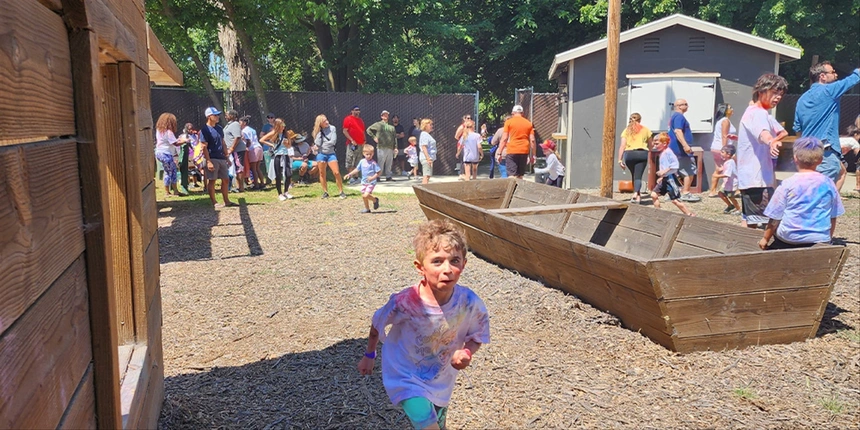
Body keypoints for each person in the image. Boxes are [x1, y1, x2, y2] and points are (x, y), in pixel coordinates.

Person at [357, 219, 490, 430]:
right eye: (437, 261)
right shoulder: (405, 302)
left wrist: (466, 353)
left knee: (438, 424)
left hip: (440, 378)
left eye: (454, 261)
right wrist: (369, 355)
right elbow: (376, 325)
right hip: (405, 376)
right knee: (428, 426)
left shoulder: (468, 302)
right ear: (420, 267)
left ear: (464, 264)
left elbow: (477, 335)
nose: (447, 269)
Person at [760, 137, 844, 250]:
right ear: (820, 160)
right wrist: (827, 239)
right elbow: (833, 216)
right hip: (819, 238)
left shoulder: (788, 184)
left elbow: (775, 216)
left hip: (789, 238)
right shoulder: (828, 184)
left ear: (795, 158)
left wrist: (765, 238)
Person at [793, 62, 860, 183]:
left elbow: (798, 129)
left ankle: (833, 200)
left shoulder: (801, 99)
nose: (836, 75)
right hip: (824, 154)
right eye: (833, 72)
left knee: (841, 171)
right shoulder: (829, 91)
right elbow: (854, 78)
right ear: (822, 76)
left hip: (807, 154)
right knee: (820, 195)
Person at [737, 73, 788, 228]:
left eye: (780, 94)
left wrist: (775, 140)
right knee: (765, 224)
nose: (778, 97)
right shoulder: (757, 113)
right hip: (757, 179)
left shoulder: (760, 113)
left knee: (750, 221)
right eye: (774, 93)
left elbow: (782, 132)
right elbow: (763, 133)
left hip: (753, 178)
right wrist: (772, 141)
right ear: (761, 91)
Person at [650, 132, 695, 216]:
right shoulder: (662, 153)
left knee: (675, 200)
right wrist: (662, 177)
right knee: (653, 195)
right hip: (665, 178)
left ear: (664, 143)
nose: (655, 146)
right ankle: (658, 213)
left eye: (657, 144)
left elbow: (675, 165)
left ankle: (689, 214)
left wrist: (664, 172)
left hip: (671, 179)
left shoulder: (668, 152)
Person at [199, 107, 236, 207]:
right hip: (212, 158)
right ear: (209, 117)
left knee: (226, 179)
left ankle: (226, 201)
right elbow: (203, 147)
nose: (217, 117)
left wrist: (227, 157)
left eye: (217, 115)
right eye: (215, 115)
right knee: (212, 180)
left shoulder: (219, 128)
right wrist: (208, 161)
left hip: (221, 157)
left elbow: (223, 143)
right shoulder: (204, 130)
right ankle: (214, 202)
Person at [668, 99, 700, 202]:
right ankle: (685, 193)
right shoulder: (679, 117)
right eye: (685, 104)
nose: (687, 106)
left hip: (675, 149)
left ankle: (672, 193)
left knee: (674, 170)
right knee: (689, 170)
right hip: (681, 150)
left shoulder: (675, 117)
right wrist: (685, 145)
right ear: (679, 106)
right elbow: (678, 131)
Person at [617, 113, 651, 203]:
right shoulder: (645, 130)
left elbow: (622, 146)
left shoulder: (626, 130)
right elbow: (650, 145)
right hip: (642, 153)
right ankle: (636, 193)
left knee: (634, 175)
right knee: (638, 176)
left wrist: (620, 160)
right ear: (640, 120)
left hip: (629, 154)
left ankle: (637, 197)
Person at [154, 113, 189, 197]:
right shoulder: (169, 132)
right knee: (173, 171)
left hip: (159, 152)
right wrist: (185, 141)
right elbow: (176, 143)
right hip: (166, 153)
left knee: (167, 171)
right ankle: (175, 191)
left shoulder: (159, 130)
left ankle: (167, 191)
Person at [497, 105, 535, 179]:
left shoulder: (508, 122)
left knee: (511, 175)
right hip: (524, 151)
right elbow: (532, 140)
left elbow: (504, 138)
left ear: (513, 113)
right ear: (522, 113)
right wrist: (533, 155)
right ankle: (519, 189)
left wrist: (499, 153)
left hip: (512, 150)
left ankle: (512, 190)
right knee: (520, 175)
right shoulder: (528, 123)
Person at [707, 104, 738, 197]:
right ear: (725, 110)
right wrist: (725, 150)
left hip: (716, 147)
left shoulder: (720, 120)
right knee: (734, 167)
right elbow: (724, 136)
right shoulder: (725, 121)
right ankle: (731, 189)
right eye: (730, 108)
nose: (732, 109)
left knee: (718, 169)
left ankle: (712, 191)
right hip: (722, 148)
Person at [313, 114, 346, 199]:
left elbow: (333, 141)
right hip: (321, 154)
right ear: (320, 123)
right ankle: (325, 192)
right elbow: (317, 143)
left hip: (331, 154)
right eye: (324, 121)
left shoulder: (332, 128)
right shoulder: (318, 131)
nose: (327, 122)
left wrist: (322, 146)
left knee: (336, 172)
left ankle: (341, 191)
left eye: (327, 120)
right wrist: (319, 133)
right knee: (322, 173)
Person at [259, 119, 293, 200]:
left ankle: (286, 192)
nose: (283, 127)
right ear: (278, 126)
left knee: (288, 174)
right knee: (278, 175)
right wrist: (271, 144)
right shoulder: (274, 133)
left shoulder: (286, 133)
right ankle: (280, 193)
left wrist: (286, 144)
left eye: (284, 125)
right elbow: (261, 139)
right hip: (277, 156)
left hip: (285, 155)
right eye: (282, 125)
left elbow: (289, 146)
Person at [343, 145, 381, 213]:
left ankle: (375, 200)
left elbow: (378, 172)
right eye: (367, 154)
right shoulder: (362, 161)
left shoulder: (373, 163)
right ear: (363, 154)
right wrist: (349, 174)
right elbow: (357, 169)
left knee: (365, 195)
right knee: (364, 196)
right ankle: (367, 208)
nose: (369, 156)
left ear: (373, 154)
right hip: (364, 182)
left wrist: (372, 178)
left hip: (371, 182)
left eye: (370, 154)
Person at [367, 110, 398, 181]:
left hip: (390, 147)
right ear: (381, 116)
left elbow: (394, 137)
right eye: (384, 115)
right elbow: (369, 130)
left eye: (387, 115)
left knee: (389, 162)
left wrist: (395, 147)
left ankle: (388, 176)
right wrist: (374, 137)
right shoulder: (378, 124)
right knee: (381, 162)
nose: (385, 116)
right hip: (381, 146)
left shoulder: (391, 127)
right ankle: (378, 176)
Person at [223, 110, 246, 193]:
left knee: (239, 167)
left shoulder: (235, 124)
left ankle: (241, 187)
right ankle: (237, 186)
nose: (225, 116)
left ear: (232, 116)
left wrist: (232, 148)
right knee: (235, 167)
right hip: (230, 150)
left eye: (227, 114)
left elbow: (237, 137)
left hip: (237, 149)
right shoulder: (229, 125)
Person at [713, 144, 740, 214]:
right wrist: (721, 169)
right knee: (720, 193)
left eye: (722, 152)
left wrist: (717, 176)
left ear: (728, 154)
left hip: (731, 183)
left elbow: (727, 174)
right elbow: (725, 169)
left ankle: (739, 209)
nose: (720, 154)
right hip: (726, 183)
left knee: (731, 196)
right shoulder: (727, 162)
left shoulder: (730, 162)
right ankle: (730, 206)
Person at [343, 105, 366, 184]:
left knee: (358, 161)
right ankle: (351, 177)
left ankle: (356, 177)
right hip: (352, 144)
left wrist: (364, 140)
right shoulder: (348, 119)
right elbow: (345, 131)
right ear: (352, 111)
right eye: (356, 110)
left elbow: (362, 132)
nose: (357, 111)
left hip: (360, 144)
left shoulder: (360, 120)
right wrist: (351, 140)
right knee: (350, 161)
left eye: (358, 110)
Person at [240, 116, 264, 190]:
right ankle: (262, 183)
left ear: (244, 123)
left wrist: (246, 147)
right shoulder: (252, 129)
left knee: (253, 168)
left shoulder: (244, 131)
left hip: (253, 149)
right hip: (259, 147)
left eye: (240, 122)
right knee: (257, 168)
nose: (239, 124)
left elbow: (248, 141)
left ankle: (256, 185)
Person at [178, 122, 199, 190]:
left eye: (192, 128)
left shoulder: (195, 136)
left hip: (195, 154)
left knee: (194, 169)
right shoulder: (183, 136)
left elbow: (197, 143)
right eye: (189, 129)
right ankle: (188, 182)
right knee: (187, 169)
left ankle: (195, 183)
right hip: (187, 154)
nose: (191, 130)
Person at [839, 124, 860, 192]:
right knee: (843, 172)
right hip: (836, 156)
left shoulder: (840, 138)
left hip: (830, 154)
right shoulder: (852, 140)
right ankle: (836, 193)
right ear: (856, 134)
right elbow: (858, 152)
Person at [418, 119, 437, 185]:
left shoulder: (427, 135)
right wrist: (428, 158)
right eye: (430, 125)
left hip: (429, 158)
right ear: (425, 126)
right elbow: (424, 147)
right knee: (426, 176)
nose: (432, 126)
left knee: (428, 175)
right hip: (426, 158)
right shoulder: (424, 134)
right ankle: (423, 191)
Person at [454, 114, 471, 180]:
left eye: (470, 118)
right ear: (464, 119)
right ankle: (461, 173)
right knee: (463, 159)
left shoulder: (470, 127)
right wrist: (462, 140)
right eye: (468, 118)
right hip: (463, 144)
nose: (469, 119)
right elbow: (456, 136)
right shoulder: (462, 127)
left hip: (469, 145)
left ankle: (467, 173)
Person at [260, 113, 275, 184]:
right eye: (269, 118)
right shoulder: (265, 126)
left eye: (272, 117)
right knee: (268, 162)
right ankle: (269, 178)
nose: (270, 119)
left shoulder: (277, 125)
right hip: (267, 147)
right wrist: (270, 137)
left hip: (276, 146)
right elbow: (261, 135)